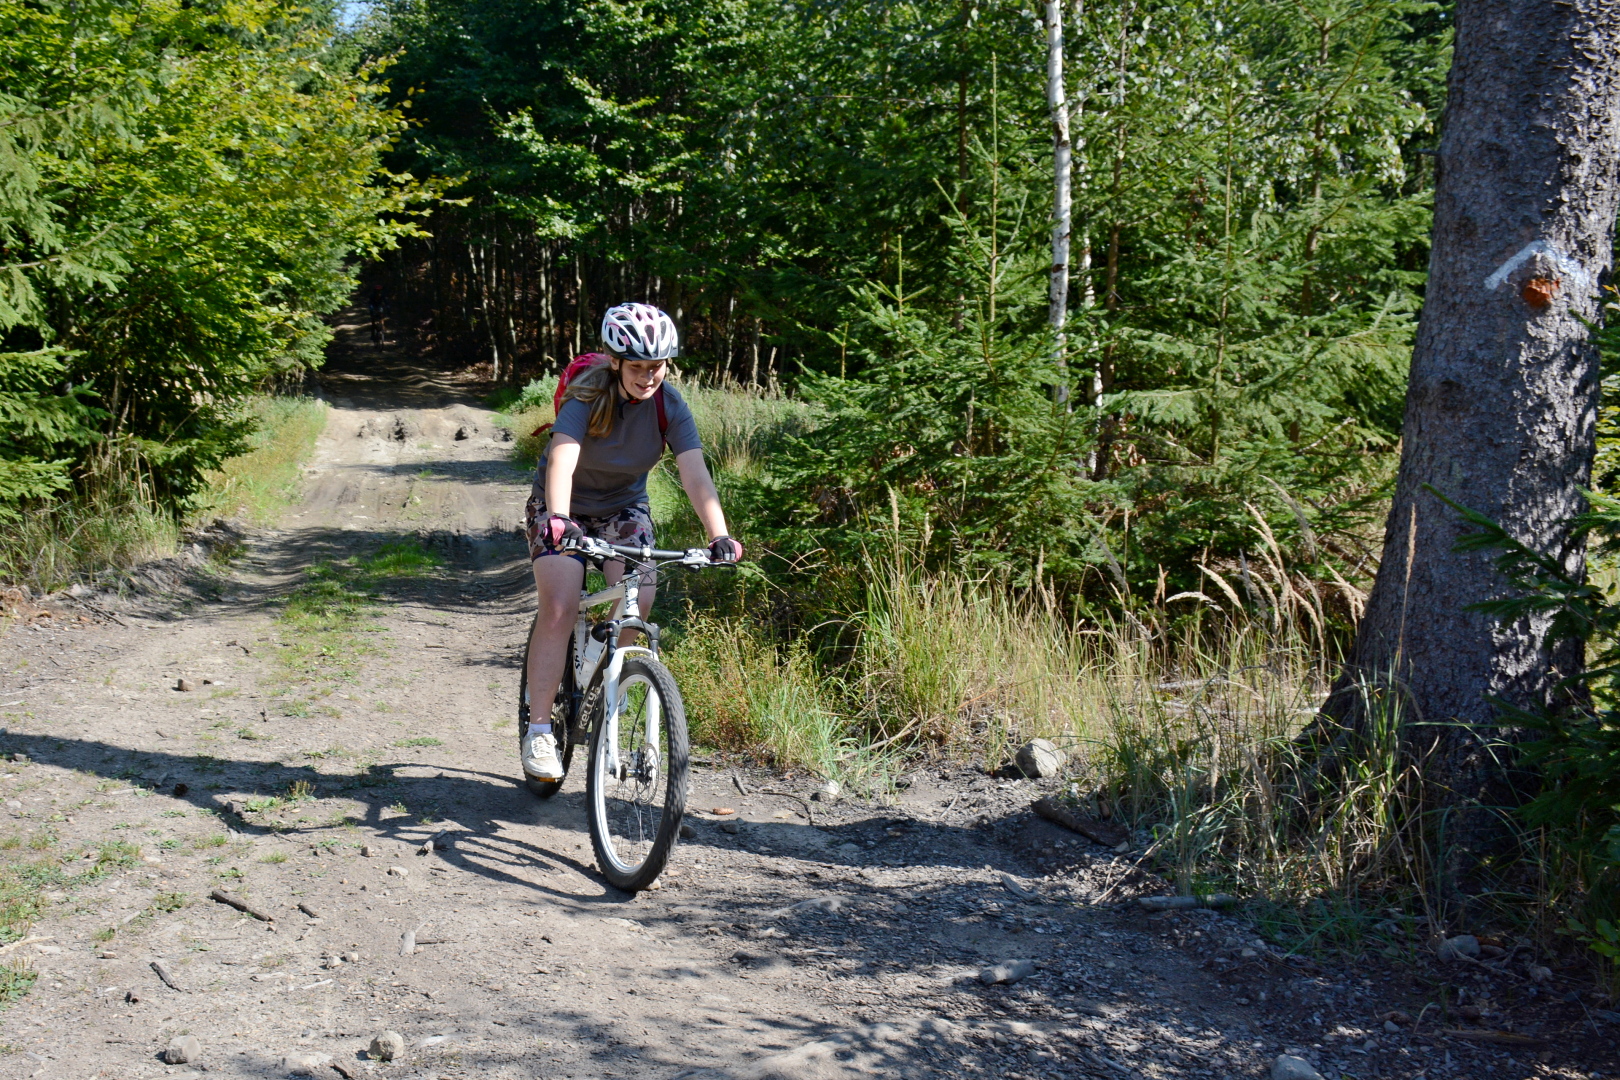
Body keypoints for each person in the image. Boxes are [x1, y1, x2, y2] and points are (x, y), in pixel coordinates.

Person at [521, 302, 743, 780]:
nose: (648, 376)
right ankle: (539, 730)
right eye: (638, 366)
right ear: (616, 362)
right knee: (560, 604)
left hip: (623, 509)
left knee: (638, 600)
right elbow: (562, 461)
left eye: (657, 365)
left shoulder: (669, 406)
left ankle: (613, 686)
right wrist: (558, 517)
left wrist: (719, 534)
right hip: (561, 506)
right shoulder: (586, 397)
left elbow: (695, 475)